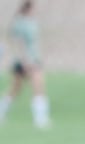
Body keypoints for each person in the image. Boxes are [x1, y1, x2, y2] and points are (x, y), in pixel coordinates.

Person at [0, 1, 51, 129]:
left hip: (32, 59)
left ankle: (1, 112)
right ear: (27, 9)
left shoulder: (31, 22)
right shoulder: (20, 23)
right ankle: (40, 119)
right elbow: (18, 43)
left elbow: (32, 43)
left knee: (15, 89)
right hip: (27, 61)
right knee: (38, 87)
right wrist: (26, 60)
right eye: (34, 9)